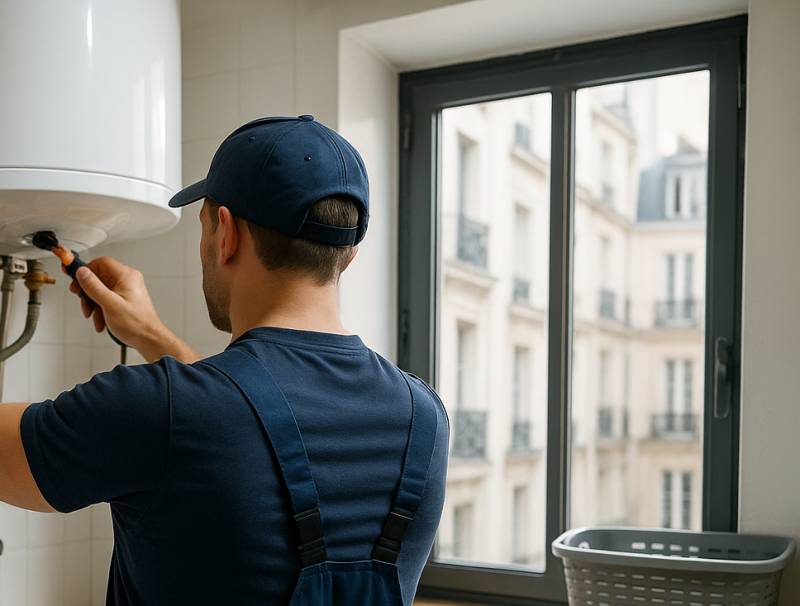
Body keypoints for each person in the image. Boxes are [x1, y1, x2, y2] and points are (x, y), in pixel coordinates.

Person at [0, 115, 449, 605]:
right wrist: (149, 333)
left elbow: (211, 415)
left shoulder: (158, 409)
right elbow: (239, 413)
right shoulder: (425, 416)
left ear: (226, 233)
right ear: (347, 255)